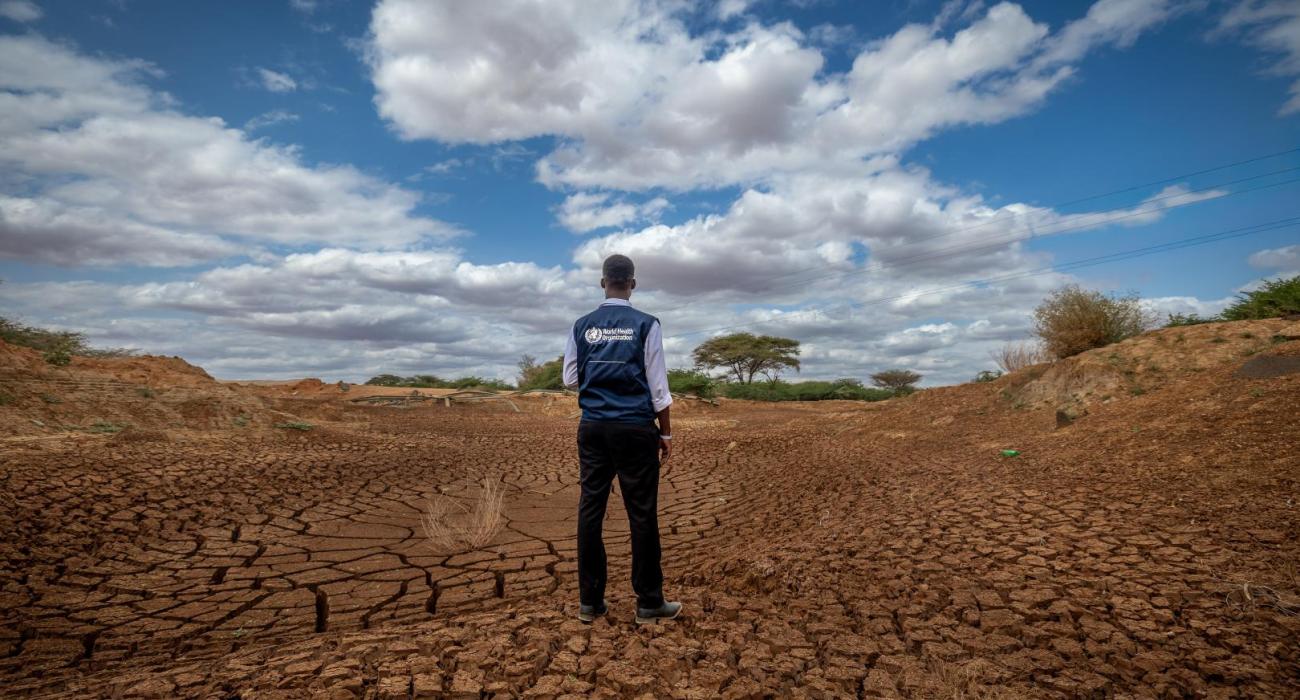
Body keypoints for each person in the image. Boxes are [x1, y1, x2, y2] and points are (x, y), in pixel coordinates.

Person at [562, 254, 682, 625]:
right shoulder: (647, 324)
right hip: (634, 428)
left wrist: (601, 383)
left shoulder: (581, 325)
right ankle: (649, 602)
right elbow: (658, 388)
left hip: (594, 428)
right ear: (632, 283)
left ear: (603, 283)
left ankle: (589, 603)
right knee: (642, 514)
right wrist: (665, 432)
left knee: (590, 511)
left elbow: (570, 379)